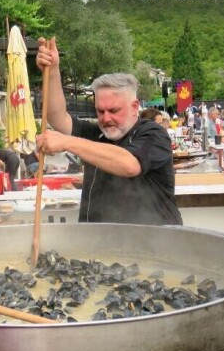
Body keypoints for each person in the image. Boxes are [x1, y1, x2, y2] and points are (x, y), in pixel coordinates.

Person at [35, 37, 182, 225]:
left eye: (114, 111)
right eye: (100, 111)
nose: (105, 118)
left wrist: (67, 142)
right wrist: (53, 70)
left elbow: (129, 165)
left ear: (135, 107)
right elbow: (57, 117)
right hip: (97, 242)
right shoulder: (96, 133)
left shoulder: (153, 134)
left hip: (151, 244)